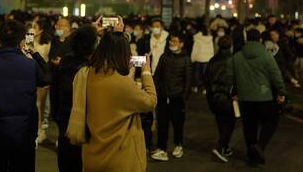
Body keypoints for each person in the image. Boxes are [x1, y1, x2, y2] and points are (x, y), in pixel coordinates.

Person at [68, 31, 157, 172]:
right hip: (119, 158)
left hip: (91, 155)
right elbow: (150, 101)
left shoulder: (85, 74)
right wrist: (146, 72)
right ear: (124, 54)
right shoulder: (122, 83)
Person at [0, 20, 51, 172]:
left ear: (0, 39)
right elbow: (46, 79)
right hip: (23, 131)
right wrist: (35, 53)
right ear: (22, 40)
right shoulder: (30, 65)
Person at [228, 29, 286, 166]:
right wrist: (282, 92)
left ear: (246, 39)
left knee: (249, 126)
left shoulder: (236, 57)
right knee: (271, 121)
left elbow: (229, 78)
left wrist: (232, 93)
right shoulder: (267, 56)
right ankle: (260, 146)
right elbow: (276, 77)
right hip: (265, 97)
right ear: (260, 40)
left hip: (244, 98)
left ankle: (252, 157)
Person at [55, 25, 98, 172]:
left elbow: (56, 92)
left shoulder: (65, 62)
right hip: (89, 122)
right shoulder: (95, 67)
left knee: (67, 162)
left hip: (66, 120)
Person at [151, 33, 192, 161]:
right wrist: (156, 91)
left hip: (177, 97)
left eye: (174, 41)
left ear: (181, 44)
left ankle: (178, 145)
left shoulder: (186, 59)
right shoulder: (164, 57)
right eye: (170, 41)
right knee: (162, 123)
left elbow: (188, 80)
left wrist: (184, 97)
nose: (171, 43)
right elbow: (157, 75)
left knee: (178, 123)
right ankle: (162, 148)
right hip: (163, 95)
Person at [205, 36, 236, 163]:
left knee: (221, 122)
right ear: (230, 46)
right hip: (228, 97)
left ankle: (225, 147)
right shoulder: (233, 60)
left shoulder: (212, 60)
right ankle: (220, 146)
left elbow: (206, 78)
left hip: (214, 97)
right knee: (230, 123)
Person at [33, 18, 54, 143]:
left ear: (40, 29)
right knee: (34, 105)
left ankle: (41, 131)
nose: (32, 29)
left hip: (42, 75)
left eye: (34, 27)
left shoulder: (48, 43)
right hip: (31, 75)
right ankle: (35, 130)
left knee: (40, 105)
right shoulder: (30, 42)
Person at [191, 25, 214, 93]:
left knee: (196, 74)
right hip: (207, 59)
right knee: (205, 74)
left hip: (198, 58)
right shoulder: (210, 39)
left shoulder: (197, 38)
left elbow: (195, 49)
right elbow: (211, 50)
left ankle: (195, 87)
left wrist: (192, 58)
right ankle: (205, 88)